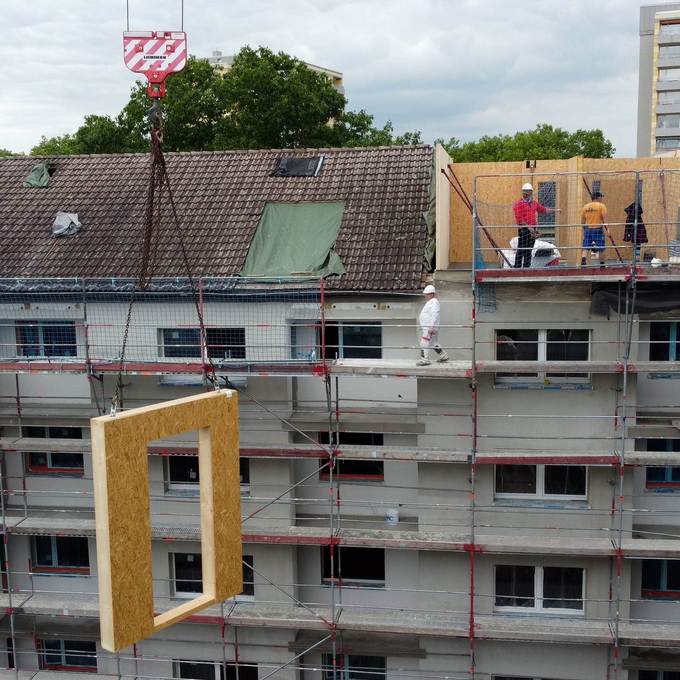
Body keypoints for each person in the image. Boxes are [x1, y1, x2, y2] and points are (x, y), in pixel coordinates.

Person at [512, 183, 560, 268]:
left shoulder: (534, 203)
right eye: (526, 192)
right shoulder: (519, 204)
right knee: (521, 249)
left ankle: (526, 267)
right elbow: (519, 219)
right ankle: (517, 267)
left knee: (529, 250)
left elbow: (543, 210)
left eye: (528, 192)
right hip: (524, 230)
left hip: (532, 229)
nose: (527, 194)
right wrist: (529, 227)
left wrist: (555, 210)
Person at [417, 284, 449, 366]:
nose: (425, 296)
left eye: (426, 294)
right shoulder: (432, 302)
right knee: (434, 343)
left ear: (431, 294)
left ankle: (425, 360)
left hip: (429, 328)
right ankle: (444, 356)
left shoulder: (434, 302)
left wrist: (431, 327)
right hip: (429, 327)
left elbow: (434, 314)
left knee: (424, 343)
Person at [580, 191, 608, 267]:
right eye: (601, 197)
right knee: (601, 248)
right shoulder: (601, 206)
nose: (602, 198)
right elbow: (605, 219)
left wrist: (584, 229)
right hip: (598, 229)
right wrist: (608, 230)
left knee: (585, 246)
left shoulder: (585, 207)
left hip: (588, 229)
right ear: (598, 197)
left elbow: (582, 220)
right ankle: (602, 264)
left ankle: (583, 259)